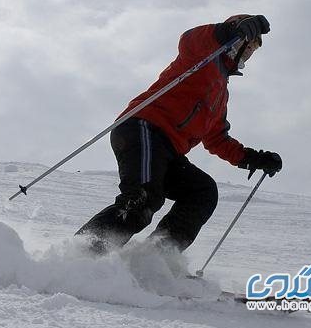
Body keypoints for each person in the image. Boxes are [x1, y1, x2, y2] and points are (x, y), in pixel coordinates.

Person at [76, 14, 283, 254]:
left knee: (202, 191)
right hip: (144, 128)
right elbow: (190, 39)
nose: (248, 54)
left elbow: (217, 138)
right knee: (143, 199)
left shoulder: (221, 93)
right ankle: (83, 255)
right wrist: (230, 30)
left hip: (168, 150)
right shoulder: (204, 55)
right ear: (236, 41)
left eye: (253, 51)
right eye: (247, 46)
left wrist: (252, 158)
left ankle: (155, 259)